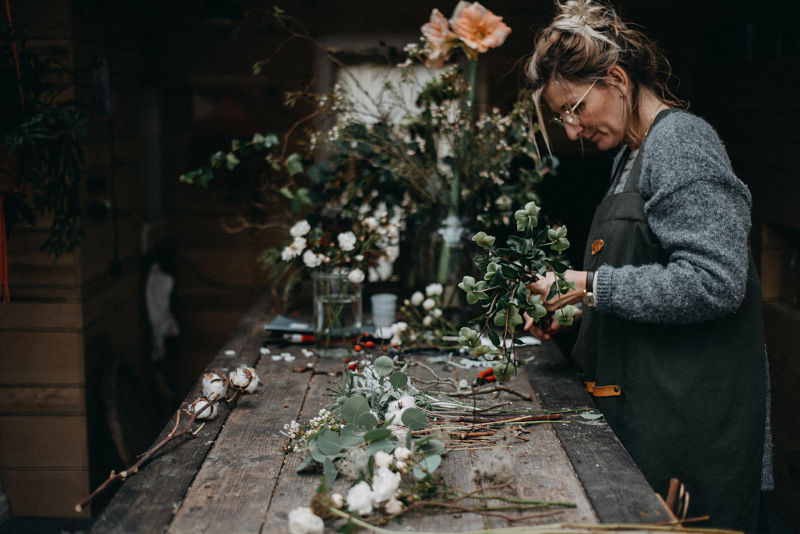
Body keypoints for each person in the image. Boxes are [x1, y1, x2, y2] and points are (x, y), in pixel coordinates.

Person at [522, 1, 771, 530]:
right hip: (652, 417)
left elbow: (714, 281)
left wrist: (589, 286)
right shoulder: (629, 156)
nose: (570, 131)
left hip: (693, 434)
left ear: (615, 79)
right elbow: (641, 279)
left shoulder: (680, 143)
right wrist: (570, 312)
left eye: (575, 108)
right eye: (560, 117)